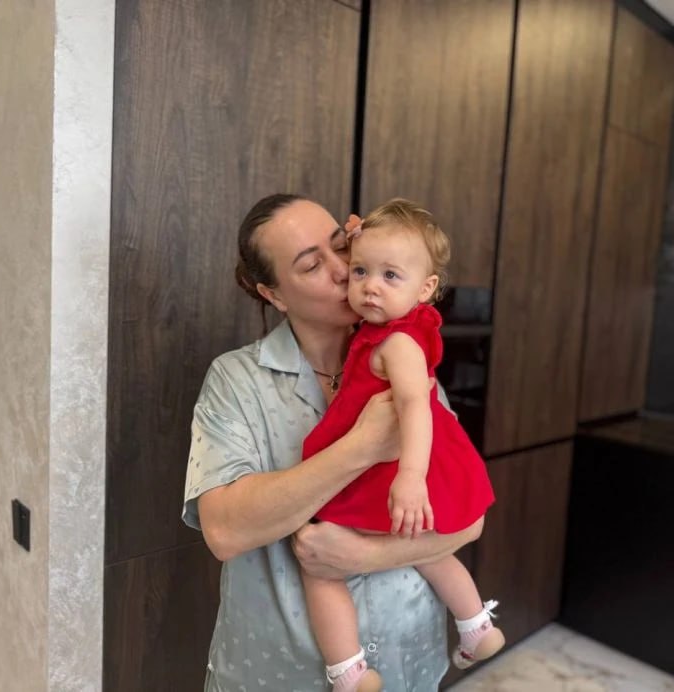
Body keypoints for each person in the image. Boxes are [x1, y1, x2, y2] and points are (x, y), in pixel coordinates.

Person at [181, 193, 485, 692]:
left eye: (342, 245)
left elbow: (468, 520)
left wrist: (366, 555)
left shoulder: (404, 355)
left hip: (409, 658)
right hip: (280, 672)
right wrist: (361, 447)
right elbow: (224, 531)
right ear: (274, 294)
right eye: (311, 265)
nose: (344, 270)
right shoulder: (236, 379)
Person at [300, 199, 504, 691]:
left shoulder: (397, 343)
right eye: (360, 271)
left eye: (390, 276)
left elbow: (414, 405)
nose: (370, 286)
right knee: (426, 551)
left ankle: (348, 670)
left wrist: (410, 479)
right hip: (401, 467)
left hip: (393, 472)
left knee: (320, 566)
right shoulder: (389, 329)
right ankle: (476, 626)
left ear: (425, 289)